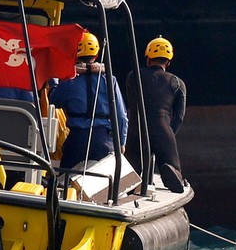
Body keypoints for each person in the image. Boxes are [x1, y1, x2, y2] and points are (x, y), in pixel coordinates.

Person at [49, 32, 128, 169]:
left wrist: (54, 79)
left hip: (76, 141)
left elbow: (55, 100)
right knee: (105, 179)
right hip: (103, 141)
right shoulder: (110, 80)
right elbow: (121, 116)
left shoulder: (69, 80)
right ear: (96, 55)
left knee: (65, 178)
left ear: (75, 54)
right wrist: (121, 142)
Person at [125, 36, 187, 193]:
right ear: (168, 62)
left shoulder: (133, 76)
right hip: (162, 128)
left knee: (130, 171)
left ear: (148, 59)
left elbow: (131, 104)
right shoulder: (177, 82)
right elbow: (179, 117)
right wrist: (168, 136)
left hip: (137, 129)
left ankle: (132, 180)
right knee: (172, 169)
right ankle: (171, 170)